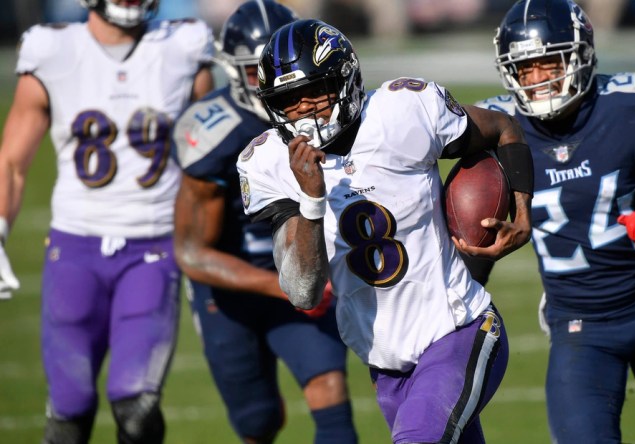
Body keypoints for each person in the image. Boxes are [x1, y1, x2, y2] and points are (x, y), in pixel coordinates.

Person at [238, 18, 534, 444]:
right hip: (386, 365)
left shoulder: (403, 112)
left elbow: (504, 127)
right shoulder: (267, 162)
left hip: (458, 330)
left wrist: (521, 213)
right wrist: (312, 201)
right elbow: (302, 291)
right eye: (288, 101)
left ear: (346, 80)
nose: (302, 109)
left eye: (313, 92)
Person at [476, 0, 635, 442]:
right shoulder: (500, 131)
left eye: (548, 63)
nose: (538, 81)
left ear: (579, 56)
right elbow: (478, 250)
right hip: (578, 325)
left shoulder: (627, 108)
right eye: (525, 69)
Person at [0, 0, 214, 442]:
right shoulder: (53, 50)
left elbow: (211, 157)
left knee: (137, 411)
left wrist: (211, 247)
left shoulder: (182, 46)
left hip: (153, 250)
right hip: (74, 249)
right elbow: (13, 163)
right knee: (68, 417)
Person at [170, 2, 358, 443]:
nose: (276, 84)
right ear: (233, 71)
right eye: (260, 71)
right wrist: (281, 285)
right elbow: (192, 253)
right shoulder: (212, 132)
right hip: (231, 290)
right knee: (257, 423)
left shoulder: (333, 116)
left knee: (330, 391)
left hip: (307, 266)